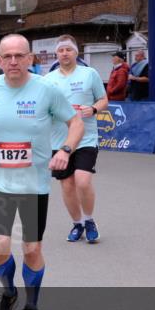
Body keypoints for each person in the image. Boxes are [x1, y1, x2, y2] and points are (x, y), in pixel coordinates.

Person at [0, 34, 84, 310]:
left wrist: (65, 150)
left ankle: (32, 306)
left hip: (34, 186)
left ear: (31, 58)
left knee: (31, 249)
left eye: (20, 55)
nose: (14, 61)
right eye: (8, 56)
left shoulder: (47, 89)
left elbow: (76, 123)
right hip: (0, 183)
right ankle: (8, 293)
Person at [43, 35, 108, 243]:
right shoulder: (48, 79)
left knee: (82, 180)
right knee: (67, 185)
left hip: (86, 137)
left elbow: (103, 98)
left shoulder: (90, 74)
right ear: (56, 53)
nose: (64, 53)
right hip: (58, 141)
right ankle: (77, 223)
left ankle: (89, 220)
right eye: (61, 50)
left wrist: (94, 108)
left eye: (68, 50)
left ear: (76, 52)